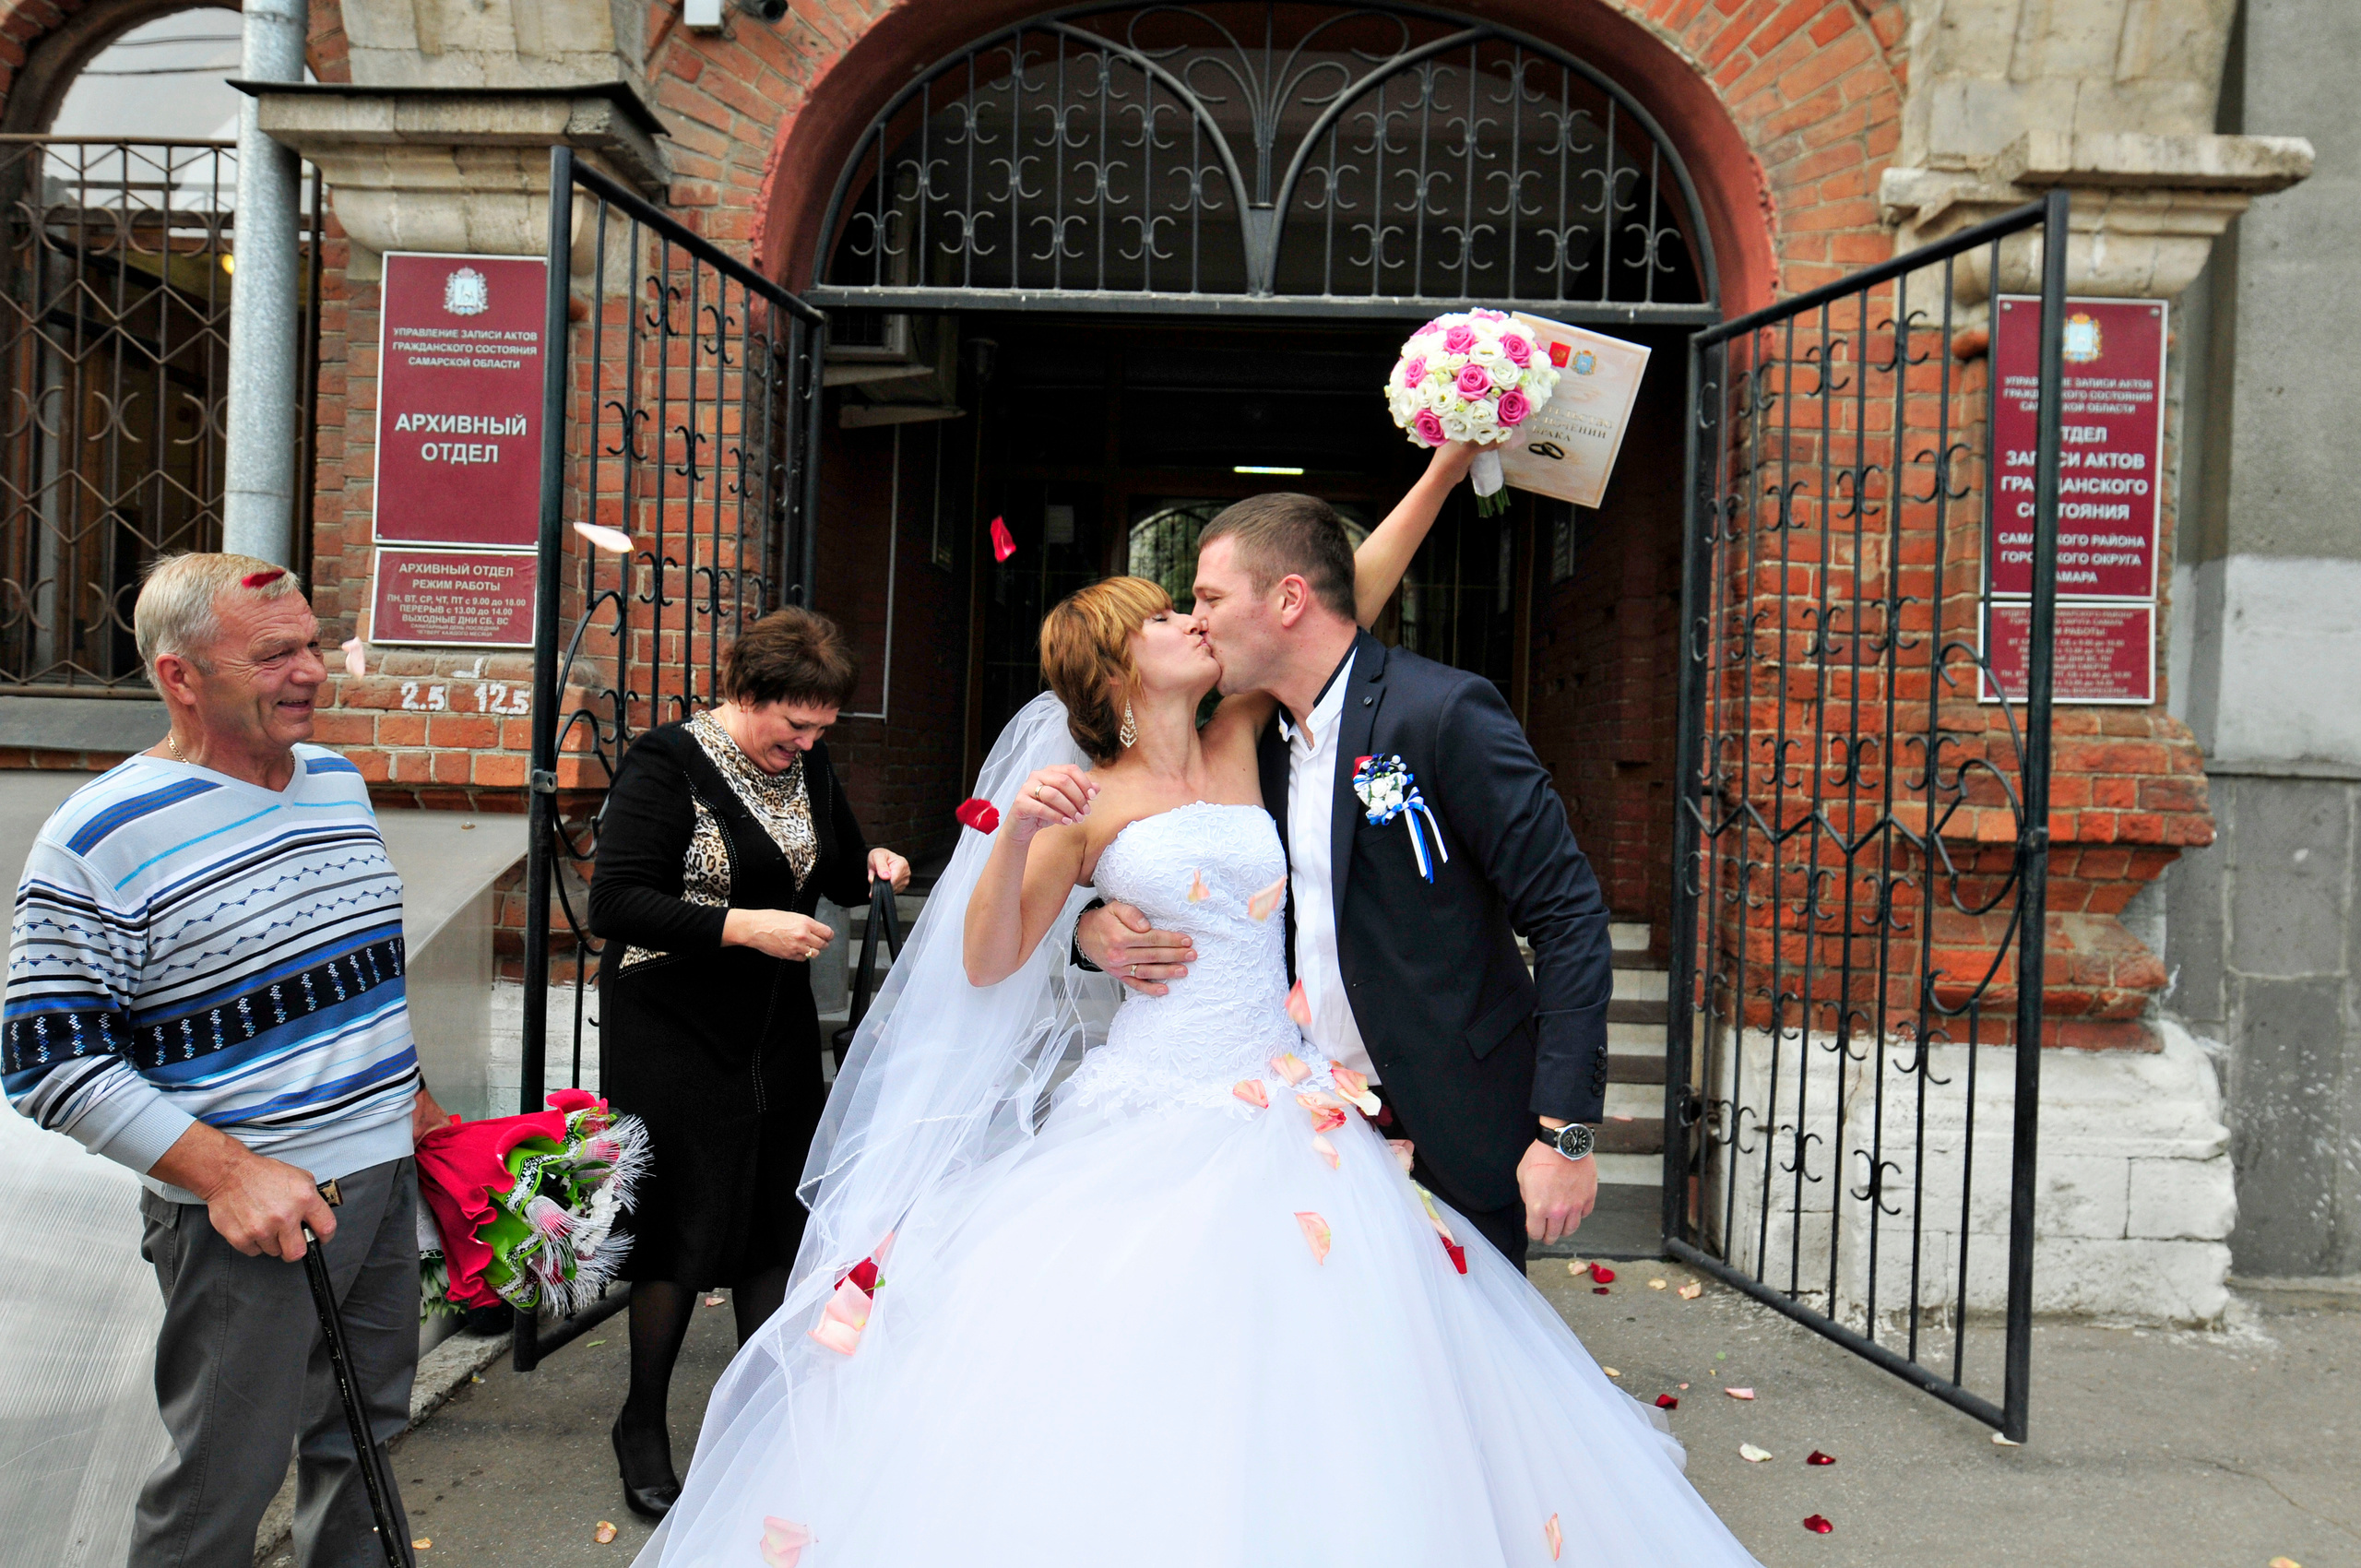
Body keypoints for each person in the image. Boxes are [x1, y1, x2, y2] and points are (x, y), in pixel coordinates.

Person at [633, 446, 1760, 1567]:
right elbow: (985, 961)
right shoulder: (1084, 801)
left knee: (1334, 1352)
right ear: (1126, 667)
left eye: (1201, 602)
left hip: (1288, 1097)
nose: (1197, 623)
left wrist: (1442, 467)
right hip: (1151, 1100)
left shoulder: (1243, 733)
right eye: (1174, 616)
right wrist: (1040, 862)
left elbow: (1331, 599)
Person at [2, 552, 445, 1568]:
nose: (311, 671)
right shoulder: (100, 833)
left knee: (366, 1446)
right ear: (180, 676)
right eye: (274, 653)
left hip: (379, 1184)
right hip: (246, 1216)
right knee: (220, 1483)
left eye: (314, 645)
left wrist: (408, 1095)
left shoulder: (334, 777)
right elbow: (47, 1059)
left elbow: (355, 963)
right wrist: (229, 1172)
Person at [1074, 489, 1619, 1266]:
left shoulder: (1441, 714)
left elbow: (1568, 916)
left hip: (1458, 1122)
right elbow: (1183, 864)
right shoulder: (1249, 745)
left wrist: (1564, 1132)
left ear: (1289, 600)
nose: (1196, 618)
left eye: (1210, 597)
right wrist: (1090, 927)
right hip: (1300, 1124)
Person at [588, 606, 912, 1520]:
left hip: (769, 1024)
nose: (805, 743)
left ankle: (761, 1419)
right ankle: (641, 1422)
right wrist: (741, 925)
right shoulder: (667, 761)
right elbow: (616, 899)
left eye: (820, 729)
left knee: (775, 1219)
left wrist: (877, 858)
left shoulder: (807, 761)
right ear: (743, 692)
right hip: (672, 1022)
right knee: (681, 1223)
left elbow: (840, 869)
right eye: (792, 725)